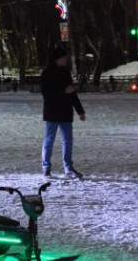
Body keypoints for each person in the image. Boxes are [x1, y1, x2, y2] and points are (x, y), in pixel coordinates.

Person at [40, 47, 86, 179]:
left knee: (68, 140)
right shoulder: (46, 74)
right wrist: (63, 92)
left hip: (65, 112)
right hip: (52, 112)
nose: (66, 61)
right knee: (49, 140)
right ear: (57, 59)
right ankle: (46, 167)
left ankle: (68, 167)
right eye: (63, 58)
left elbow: (72, 94)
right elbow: (46, 94)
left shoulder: (65, 73)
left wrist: (80, 110)